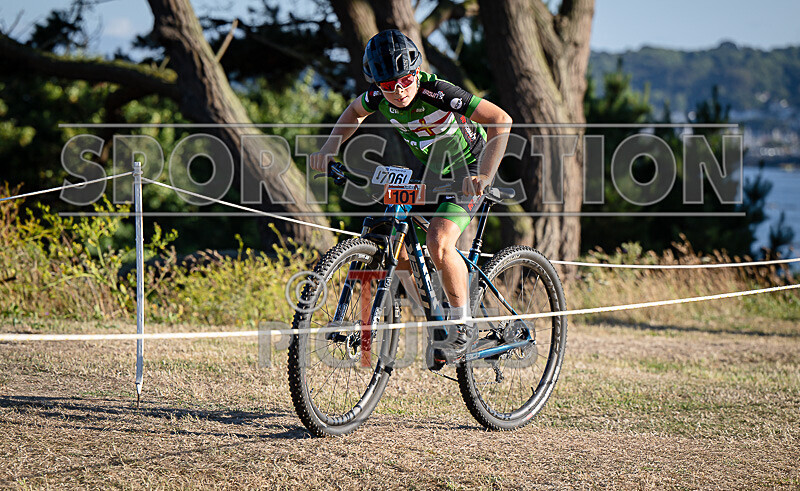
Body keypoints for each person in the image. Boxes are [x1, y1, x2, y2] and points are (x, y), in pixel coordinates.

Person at [309, 29, 512, 365]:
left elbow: (500, 119)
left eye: (405, 81)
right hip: (431, 172)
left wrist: (485, 176)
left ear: (416, 73)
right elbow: (353, 113)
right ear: (377, 85)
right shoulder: (378, 95)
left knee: (440, 240)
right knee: (396, 244)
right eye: (388, 86)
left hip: (469, 170)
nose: (399, 91)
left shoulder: (438, 92)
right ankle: (435, 317)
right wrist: (330, 148)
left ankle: (462, 327)